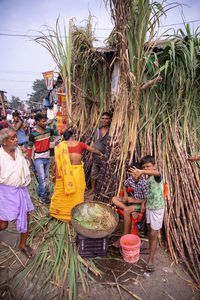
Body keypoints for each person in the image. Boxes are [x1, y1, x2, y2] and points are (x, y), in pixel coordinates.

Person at [49, 130, 103, 222]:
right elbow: (93, 150)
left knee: (61, 193)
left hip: (64, 175)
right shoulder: (80, 144)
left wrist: (53, 175)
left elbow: (55, 163)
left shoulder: (59, 147)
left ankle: (59, 213)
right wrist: (101, 154)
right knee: (77, 192)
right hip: (77, 173)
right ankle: (75, 212)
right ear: (73, 135)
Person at [0, 128, 34, 258]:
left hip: (20, 191)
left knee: (25, 216)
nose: (16, 140)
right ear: (4, 142)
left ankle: (23, 245)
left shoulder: (19, 152)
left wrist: (26, 162)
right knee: (3, 224)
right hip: (5, 193)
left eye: (16, 137)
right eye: (13, 138)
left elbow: (23, 167)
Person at [130, 155, 164, 272]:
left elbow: (158, 173)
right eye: (144, 167)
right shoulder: (148, 178)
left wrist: (142, 171)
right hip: (150, 207)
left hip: (157, 209)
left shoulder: (156, 176)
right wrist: (144, 204)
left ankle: (151, 260)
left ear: (154, 166)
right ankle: (150, 249)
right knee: (149, 229)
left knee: (154, 234)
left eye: (149, 166)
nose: (147, 169)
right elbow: (148, 193)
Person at [112, 163, 146, 247]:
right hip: (133, 202)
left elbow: (148, 199)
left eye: (136, 173)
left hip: (142, 203)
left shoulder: (144, 183)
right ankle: (130, 210)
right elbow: (124, 185)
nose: (134, 175)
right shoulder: (130, 179)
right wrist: (125, 196)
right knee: (114, 199)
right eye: (132, 173)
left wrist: (136, 201)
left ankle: (124, 235)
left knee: (126, 210)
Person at [27, 113, 58, 204]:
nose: (45, 123)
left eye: (46, 121)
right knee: (42, 178)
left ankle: (40, 191)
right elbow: (29, 148)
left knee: (45, 177)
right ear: (37, 122)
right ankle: (44, 196)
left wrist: (67, 127)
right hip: (39, 159)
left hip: (47, 158)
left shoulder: (48, 131)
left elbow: (59, 132)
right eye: (43, 121)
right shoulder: (33, 135)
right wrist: (30, 161)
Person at [89, 112, 111, 194]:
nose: (104, 120)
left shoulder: (111, 131)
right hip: (95, 156)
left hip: (106, 157)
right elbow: (93, 143)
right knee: (93, 174)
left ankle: (103, 191)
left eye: (106, 119)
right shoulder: (97, 130)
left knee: (105, 175)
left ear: (109, 120)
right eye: (103, 118)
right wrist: (91, 155)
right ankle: (93, 189)